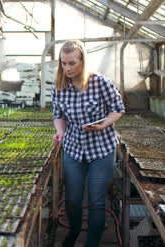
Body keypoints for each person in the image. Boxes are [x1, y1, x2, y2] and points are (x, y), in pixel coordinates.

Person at [51, 40, 125, 247]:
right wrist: (60, 132)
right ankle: (74, 231)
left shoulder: (100, 82)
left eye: (72, 63)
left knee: (96, 200)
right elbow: (58, 115)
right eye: (63, 63)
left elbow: (118, 109)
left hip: (101, 150)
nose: (67, 68)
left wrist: (103, 125)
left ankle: (92, 242)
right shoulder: (59, 86)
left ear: (83, 61)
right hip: (73, 149)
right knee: (73, 199)